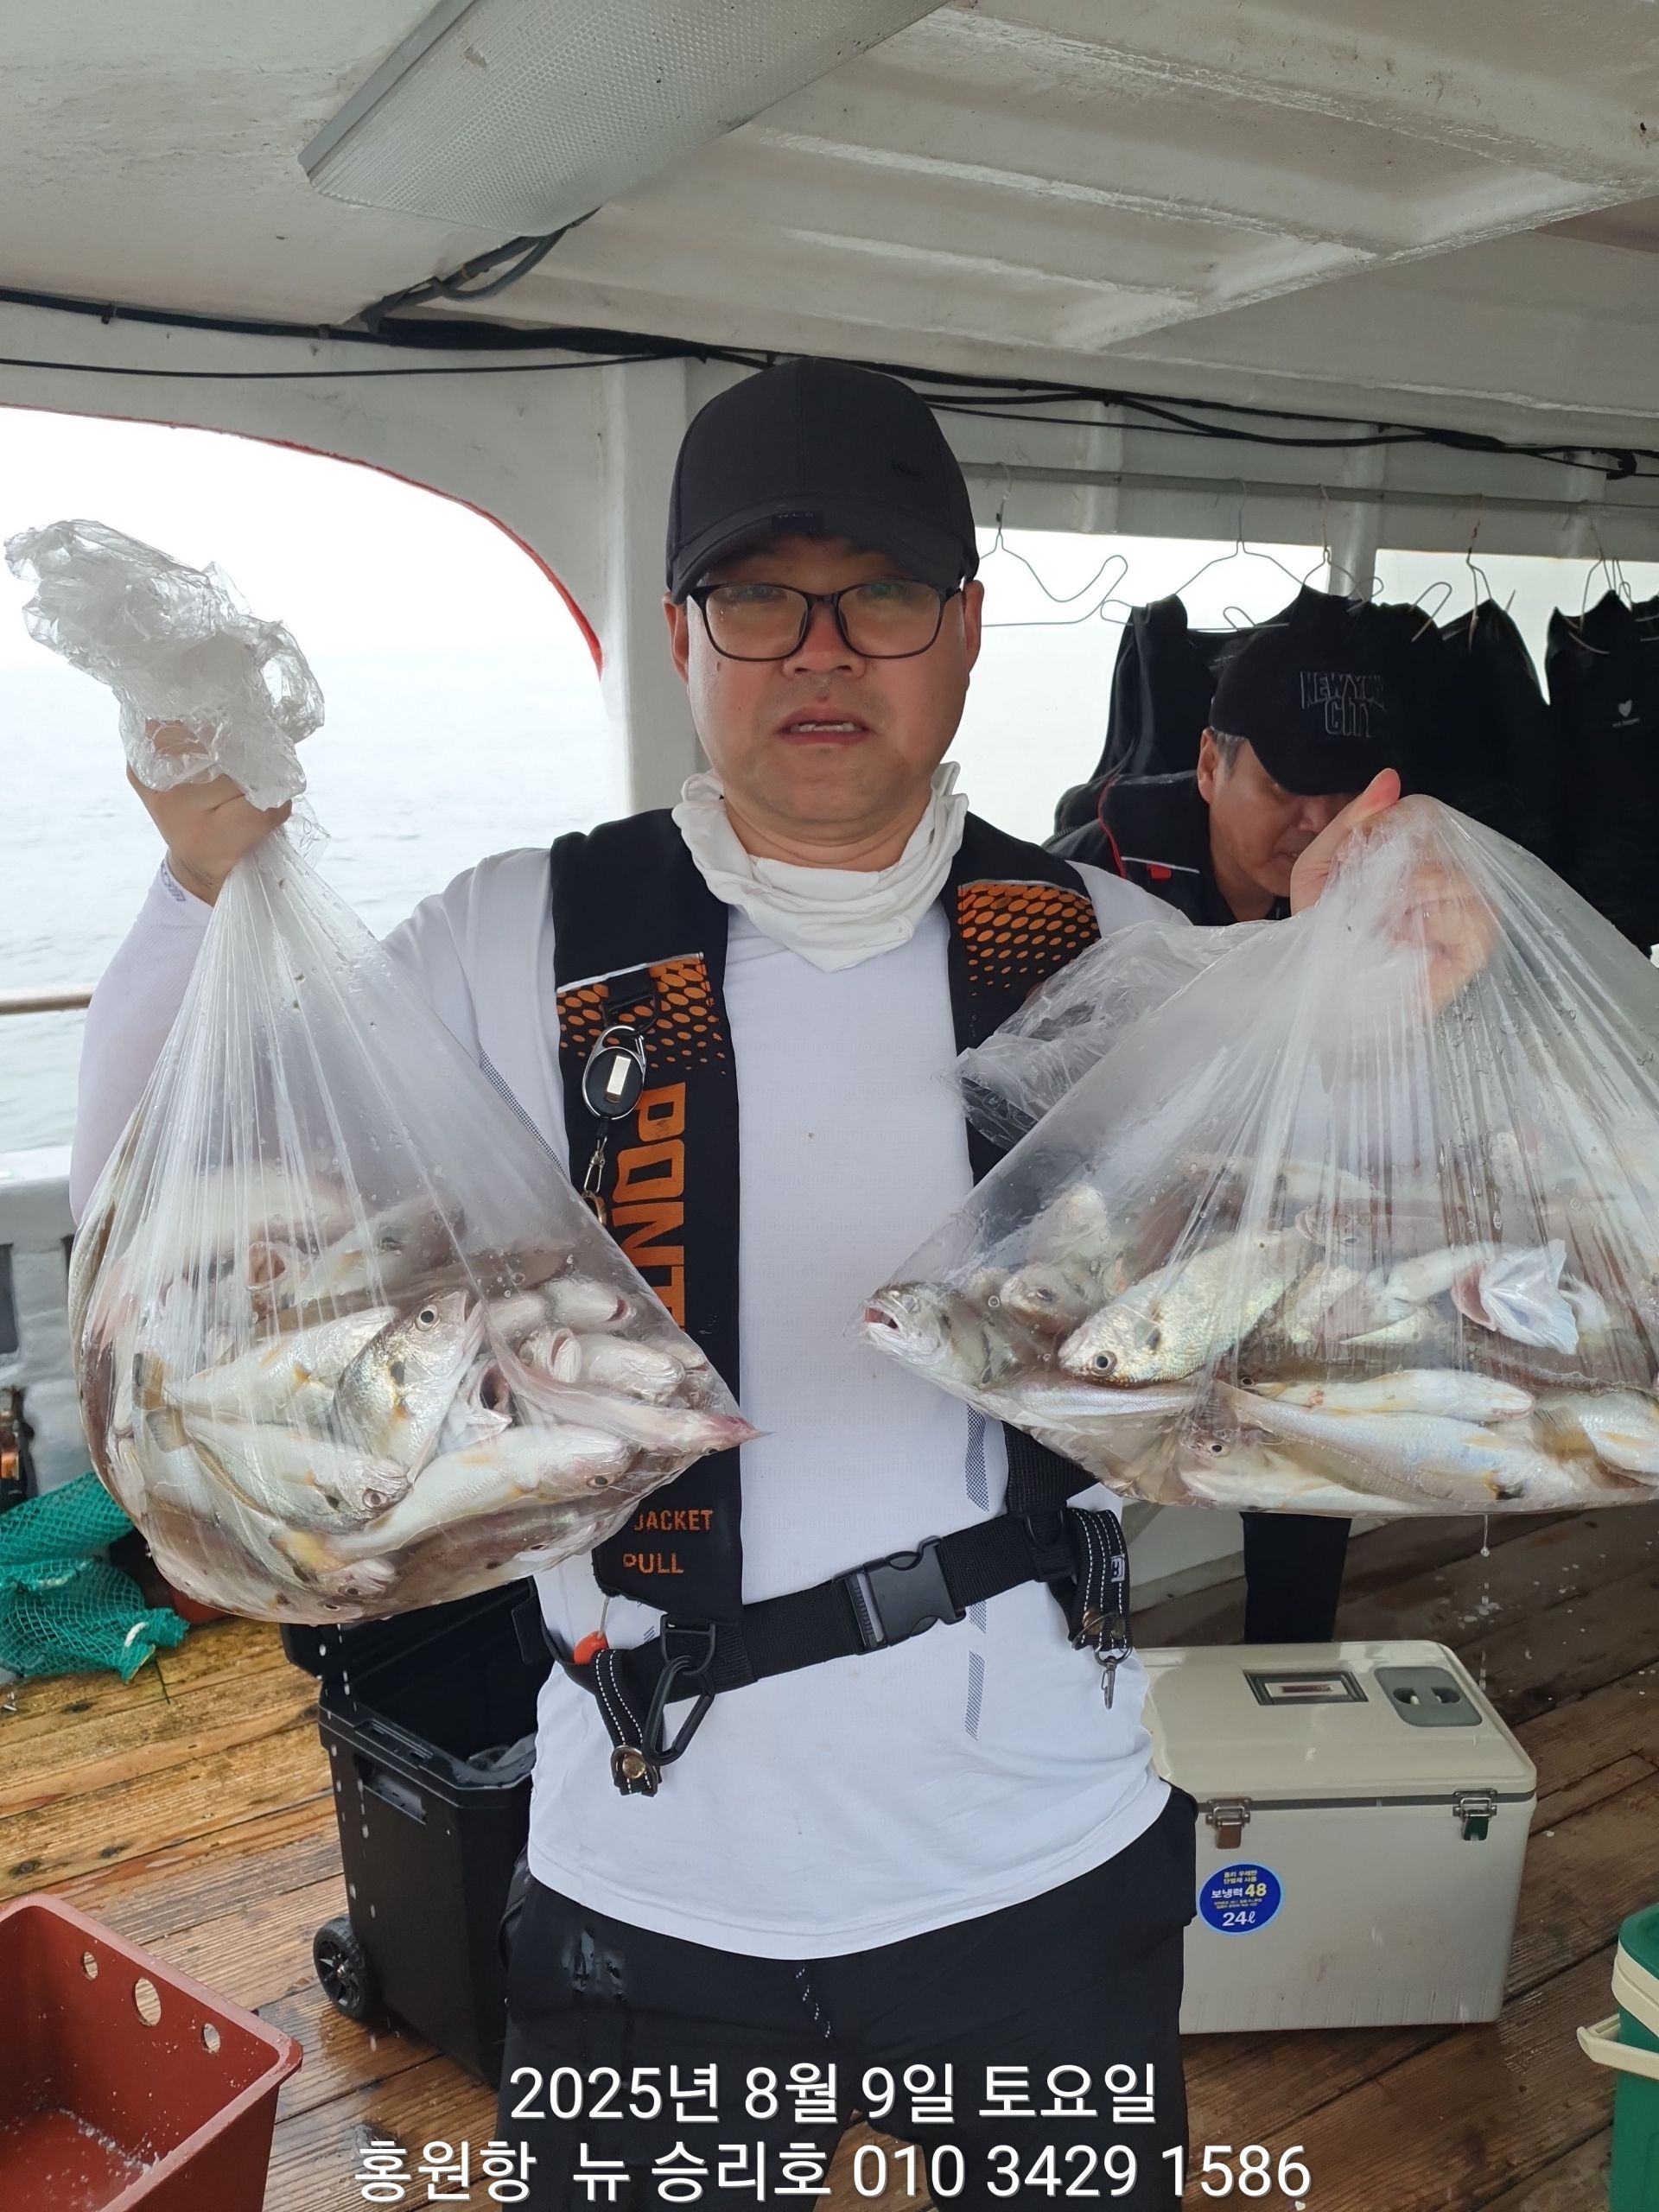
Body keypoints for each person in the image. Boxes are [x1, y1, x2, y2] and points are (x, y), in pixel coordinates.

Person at [70, 360, 1400, 2210]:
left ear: (967, 631)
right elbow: (169, 1197)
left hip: (1040, 1849)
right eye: (761, 596)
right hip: (647, 1866)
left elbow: (1322, 1309)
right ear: (684, 637)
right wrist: (203, 887)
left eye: (886, 594)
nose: (822, 650)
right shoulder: (510, 938)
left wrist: (1376, 1012)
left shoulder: (1113, 950)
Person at [1050, 619, 1412, 1645]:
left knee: (1306, 1443)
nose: (1317, 822)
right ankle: (1073, 1657)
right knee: (1071, 1475)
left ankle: (1289, 1670)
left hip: (1284, 1235)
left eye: (1346, 794)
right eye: (1287, 786)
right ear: (1210, 764)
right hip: (1120, 1247)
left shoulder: (1382, 895)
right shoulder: (1083, 888)